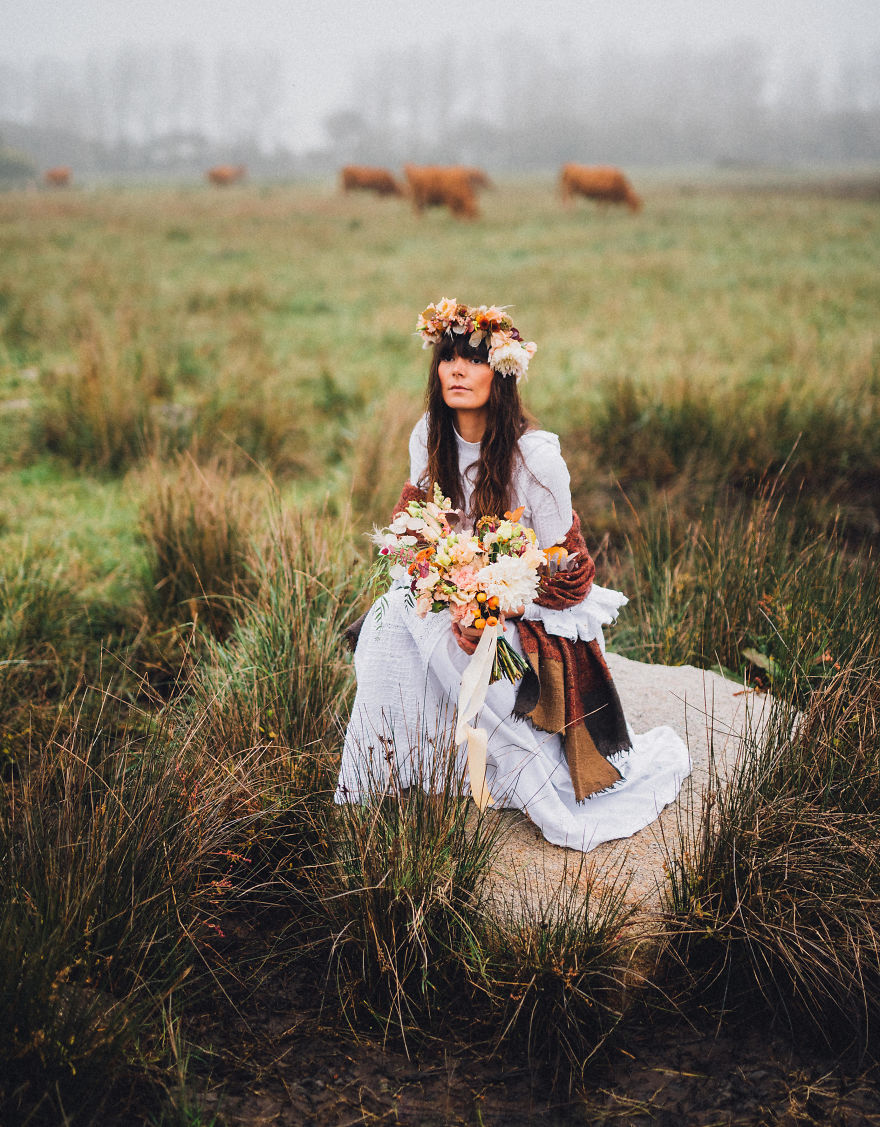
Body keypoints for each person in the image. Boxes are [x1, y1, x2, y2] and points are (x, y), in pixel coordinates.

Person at [335, 299, 690, 851]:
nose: (456, 370)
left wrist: (495, 605)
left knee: (476, 643)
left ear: (500, 373)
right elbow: (415, 538)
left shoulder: (537, 458)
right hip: (456, 604)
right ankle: (394, 771)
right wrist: (452, 591)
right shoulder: (428, 436)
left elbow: (566, 575)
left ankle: (523, 765)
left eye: (472, 360)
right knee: (390, 615)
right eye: (446, 358)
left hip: (529, 618)